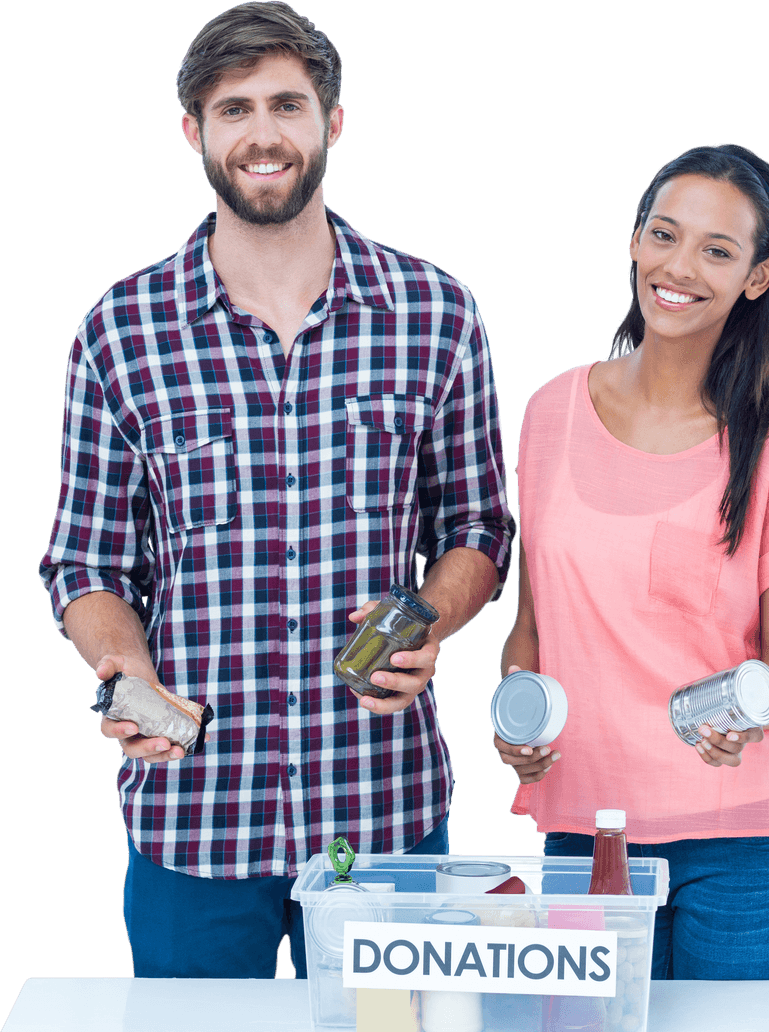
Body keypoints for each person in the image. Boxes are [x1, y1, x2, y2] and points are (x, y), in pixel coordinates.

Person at [39, 2, 513, 979]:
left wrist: (426, 622)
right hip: (193, 823)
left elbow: (479, 526)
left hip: (384, 815)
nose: (264, 134)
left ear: (331, 121)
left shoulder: (436, 314)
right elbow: (86, 561)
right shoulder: (119, 332)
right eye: (235, 109)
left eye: (287, 105)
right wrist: (125, 668)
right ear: (195, 132)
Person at [495, 144, 769, 980]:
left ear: (758, 277)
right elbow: (534, 629)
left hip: (745, 846)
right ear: (635, 239)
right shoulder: (552, 411)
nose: (678, 268)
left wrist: (751, 718)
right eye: (664, 234)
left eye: (717, 250)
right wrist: (516, 717)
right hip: (588, 833)